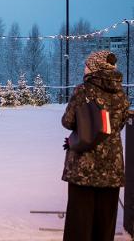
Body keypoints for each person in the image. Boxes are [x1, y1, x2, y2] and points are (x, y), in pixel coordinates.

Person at [61, 51, 130, 241]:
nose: (85, 68)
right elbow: (120, 124)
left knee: (79, 224)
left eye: (87, 65)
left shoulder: (83, 90)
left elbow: (68, 121)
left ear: (94, 67)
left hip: (84, 167)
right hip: (112, 168)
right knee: (105, 225)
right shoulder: (121, 94)